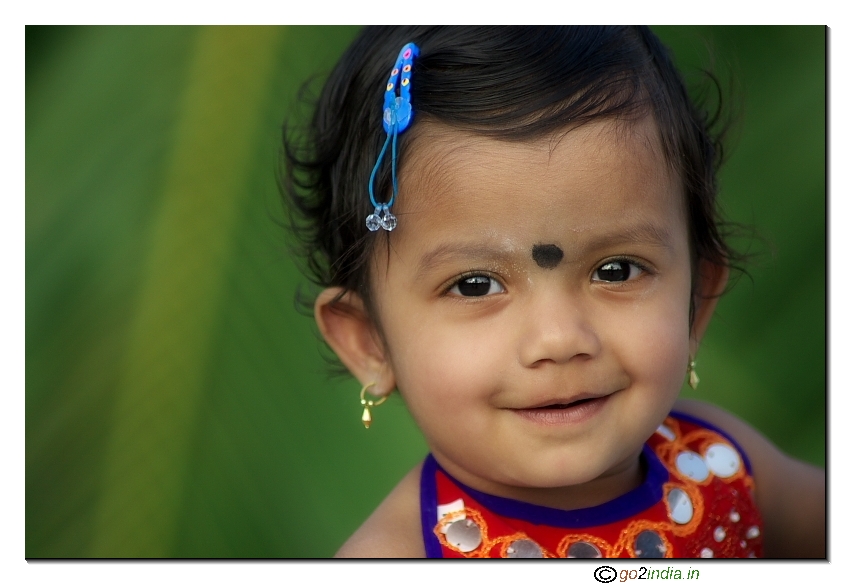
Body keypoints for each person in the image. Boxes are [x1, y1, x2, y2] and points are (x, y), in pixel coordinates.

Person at [281, 26, 825, 558]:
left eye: (617, 270)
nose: (560, 338)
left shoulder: (723, 466)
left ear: (697, 303)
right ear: (370, 343)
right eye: (476, 285)